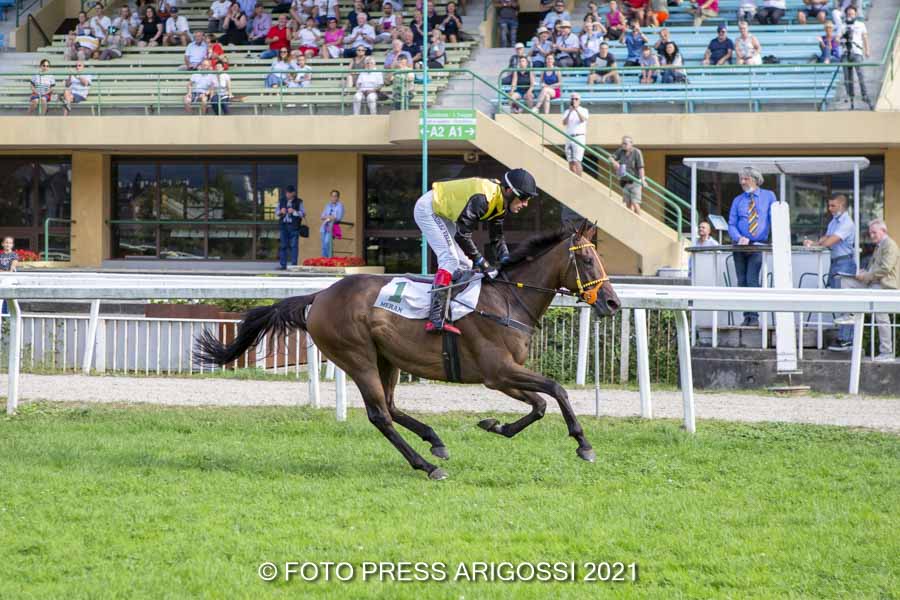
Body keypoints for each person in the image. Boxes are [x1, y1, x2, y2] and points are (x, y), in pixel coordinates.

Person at [413, 169, 538, 334]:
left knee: (465, 264)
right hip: (428, 209)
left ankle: (452, 312)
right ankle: (435, 319)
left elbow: (497, 239)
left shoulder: (499, 202)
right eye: (523, 198)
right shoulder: (483, 199)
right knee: (450, 260)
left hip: (443, 212)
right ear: (509, 191)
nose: (525, 204)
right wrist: (484, 264)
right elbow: (462, 236)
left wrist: (509, 264)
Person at [833, 220, 899, 360]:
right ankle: (849, 314)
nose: (872, 235)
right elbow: (875, 268)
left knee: (881, 317)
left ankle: (887, 352)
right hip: (874, 283)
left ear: (883, 231)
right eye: (870, 233)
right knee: (846, 281)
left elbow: (885, 269)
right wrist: (864, 272)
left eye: (874, 232)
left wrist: (866, 276)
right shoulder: (880, 245)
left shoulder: (889, 245)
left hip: (885, 286)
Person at [802, 193, 856, 350]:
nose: (829, 208)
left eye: (833, 205)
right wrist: (816, 242)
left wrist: (816, 244)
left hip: (844, 263)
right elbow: (825, 237)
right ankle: (843, 338)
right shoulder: (834, 220)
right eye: (829, 205)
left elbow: (830, 241)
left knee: (846, 303)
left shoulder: (846, 222)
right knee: (839, 301)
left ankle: (846, 340)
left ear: (841, 205)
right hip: (836, 263)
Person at [727, 166, 775, 327]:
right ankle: (746, 316)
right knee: (742, 281)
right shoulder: (737, 200)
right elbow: (731, 224)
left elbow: (774, 219)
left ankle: (754, 317)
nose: (742, 182)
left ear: (755, 179)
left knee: (752, 279)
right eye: (741, 179)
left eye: (745, 179)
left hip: (758, 246)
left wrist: (776, 239)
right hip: (740, 246)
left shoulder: (769, 196)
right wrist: (738, 237)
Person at [842, 6, 871, 110]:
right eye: (848, 14)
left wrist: (867, 50)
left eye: (852, 14)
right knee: (847, 77)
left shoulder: (861, 24)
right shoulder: (843, 25)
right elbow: (838, 38)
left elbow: (865, 37)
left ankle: (865, 95)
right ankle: (850, 97)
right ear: (846, 14)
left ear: (855, 14)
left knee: (860, 75)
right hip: (845, 53)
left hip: (857, 52)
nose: (850, 15)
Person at [612, 136, 645, 215]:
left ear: (631, 144)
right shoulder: (620, 151)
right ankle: (632, 220)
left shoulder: (637, 152)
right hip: (625, 182)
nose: (623, 145)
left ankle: (638, 219)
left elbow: (641, 168)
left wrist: (643, 180)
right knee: (628, 204)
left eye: (625, 143)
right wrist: (615, 162)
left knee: (635, 203)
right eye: (622, 143)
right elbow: (610, 157)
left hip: (635, 182)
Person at [276, 185, 305, 268]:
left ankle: (293, 265)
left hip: (294, 226)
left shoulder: (299, 201)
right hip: (284, 226)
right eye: (286, 193)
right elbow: (276, 212)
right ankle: (283, 265)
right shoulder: (281, 200)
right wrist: (280, 212)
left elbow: (303, 214)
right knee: (283, 246)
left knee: (294, 246)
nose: (287, 194)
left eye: (289, 193)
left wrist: (294, 211)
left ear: (293, 193)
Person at [562, 93, 588, 175]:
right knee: (570, 161)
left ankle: (579, 179)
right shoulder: (567, 111)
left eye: (576, 99)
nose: (574, 101)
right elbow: (564, 123)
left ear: (579, 101)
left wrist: (576, 110)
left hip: (579, 137)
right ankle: (573, 178)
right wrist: (570, 112)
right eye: (572, 99)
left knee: (577, 161)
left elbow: (582, 120)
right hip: (569, 137)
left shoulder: (584, 110)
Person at [320, 189, 345, 257]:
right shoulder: (327, 205)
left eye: (335, 196)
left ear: (338, 197)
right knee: (323, 246)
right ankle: (324, 260)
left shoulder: (340, 206)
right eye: (332, 196)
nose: (334, 198)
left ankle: (328, 259)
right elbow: (322, 216)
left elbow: (338, 218)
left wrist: (328, 217)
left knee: (327, 242)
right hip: (324, 227)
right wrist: (330, 217)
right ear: (330, 197)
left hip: (332, 227)